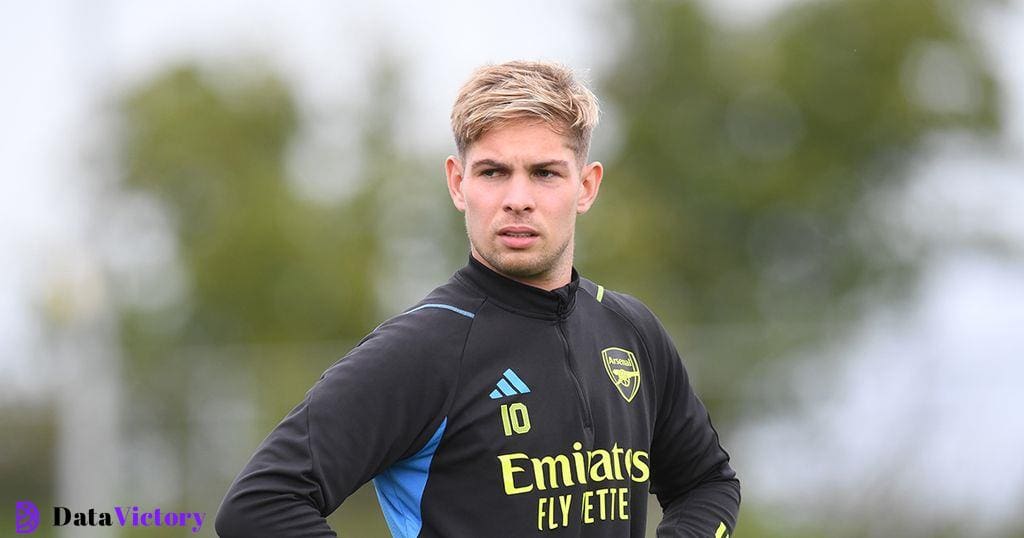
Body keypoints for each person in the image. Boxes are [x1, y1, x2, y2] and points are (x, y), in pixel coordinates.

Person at [216, 60, 740, 537]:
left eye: (544, 173)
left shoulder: (631, 330)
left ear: (586, 185)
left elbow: (708, 483)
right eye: (493, 172)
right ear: (458, 182)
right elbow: (259, 507)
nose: (517, 199)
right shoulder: (424, 349)